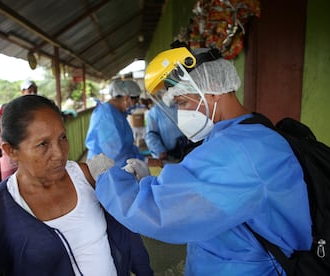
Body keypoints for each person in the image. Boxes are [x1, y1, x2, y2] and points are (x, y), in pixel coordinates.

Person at [94, 47, 312, 275]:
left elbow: (163, 212)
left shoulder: (239, 150)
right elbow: (202, 186)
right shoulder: (242, 132)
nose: (181, 114)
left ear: (215, 89)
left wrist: (108, 179)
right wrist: (155, 185)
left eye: (182, 103)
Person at [0, 95, 153, 275]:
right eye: (43, 144)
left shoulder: (86, 177)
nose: (59, 154)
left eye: (62, 138)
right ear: (11, 151)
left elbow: (127, 234)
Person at [85, 79, 160, 168]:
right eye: (135, 102)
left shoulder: (118, 114)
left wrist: (142, 158)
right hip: (104, 170)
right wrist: (142, 161)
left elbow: (127, 146)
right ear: (127, 98)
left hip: (118, 167)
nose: (134, 106)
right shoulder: (106, 116)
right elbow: (114, 153)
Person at [0, 80, 38, 179]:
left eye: (34, 90)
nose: (33, 93)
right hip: (11, 163)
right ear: (22, 92)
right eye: (29, 91)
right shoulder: (15, 114)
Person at [145, 90, 197, 161]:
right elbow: (151, 134)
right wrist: (159, 150)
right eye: (167, 90)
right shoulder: (155, 111)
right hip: (170, 154)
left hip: (189, 148)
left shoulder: (183, 105)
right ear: (162, 93)